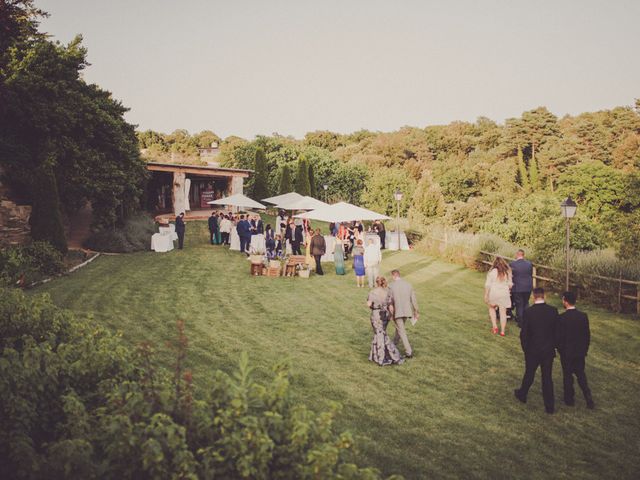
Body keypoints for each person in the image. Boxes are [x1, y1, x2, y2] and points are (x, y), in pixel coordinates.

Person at [514, 287, 559, 414]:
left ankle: (522, 394)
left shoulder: (529, 312)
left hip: (532, 350)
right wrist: (553, 345)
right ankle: (549, 407)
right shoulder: (553, 311)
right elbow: (557, 332)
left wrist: (526, 349)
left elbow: (524, 334)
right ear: (544, 296)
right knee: (547, 377)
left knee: (529, 373)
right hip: (548, 350)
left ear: (533, 297)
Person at [558, 291, 595, 409]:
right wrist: (584, 350)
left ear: (565, 301)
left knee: (567, 376)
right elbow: (586, 335)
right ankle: (588, 397)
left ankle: (569, 399)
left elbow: (559, 337)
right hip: (579, 352)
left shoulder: (562, 318)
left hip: (567, 352)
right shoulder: (583, 316)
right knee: (581, 375)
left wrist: (561, 350)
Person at [368, 276, 403, 366]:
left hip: (376, 315)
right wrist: (391, 316)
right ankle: (375, 355)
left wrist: (373, 306)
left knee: (380, 334)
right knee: (381, 333)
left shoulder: (372, 292)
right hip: (385, 316)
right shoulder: (387, 292)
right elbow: (391, 307)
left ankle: (383, 356)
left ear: (376, 283)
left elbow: (368, 304)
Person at [389, 269, 419, 358]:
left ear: (393, 276)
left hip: (397, 312)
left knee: (401, 331)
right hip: (407, 311)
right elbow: (413, 299)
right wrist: (416, 311)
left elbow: (389, 301)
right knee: (399, 329)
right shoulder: (408, 284)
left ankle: (409, 351)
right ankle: (393, 344)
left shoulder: (391, 286)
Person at [484, 257, 513, 336]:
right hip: (504, 294)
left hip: (494, 293)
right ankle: (503, 331)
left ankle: (495, 326)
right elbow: (510, 285)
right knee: (503, 312)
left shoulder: (492, 272)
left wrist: (486, 295)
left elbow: (488, 285)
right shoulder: (507, 272)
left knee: (492, 308)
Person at [510, 249, 533, 328]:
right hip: (528, 287)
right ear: (523, 255)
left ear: (517, 255)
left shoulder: (512, 264)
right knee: (526, 303)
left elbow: (511, 276)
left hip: (518, 287)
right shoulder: (529, 264)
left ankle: (521, 322)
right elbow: (530, 274)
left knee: (519, 304)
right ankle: (527, 320)